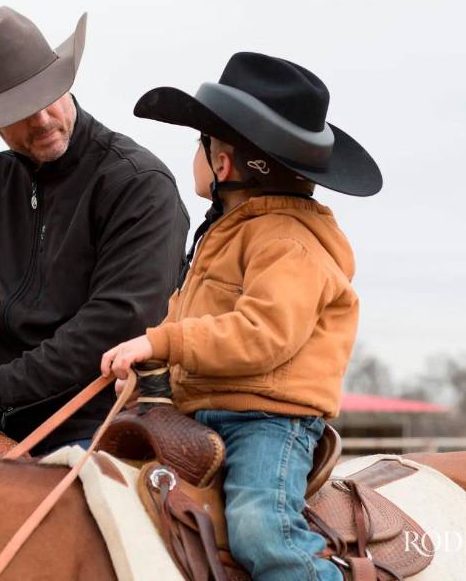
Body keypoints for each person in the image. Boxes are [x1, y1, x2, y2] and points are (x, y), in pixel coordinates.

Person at [100, 52, 382, 580]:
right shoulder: (228, 233)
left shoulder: (290, 242)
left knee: (261, 532)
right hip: (202, 410)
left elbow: (262, 335)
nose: (197, 156)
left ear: (223, 164)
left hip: (268, 422)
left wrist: (162, 343)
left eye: (201, 145)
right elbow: (190, 317)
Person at [0, 7, 189, 454]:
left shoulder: (138, 184)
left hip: (100, 418)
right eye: (20, 111)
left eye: (49, 96)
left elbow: (115, 322)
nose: (42, 119)